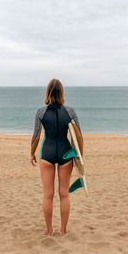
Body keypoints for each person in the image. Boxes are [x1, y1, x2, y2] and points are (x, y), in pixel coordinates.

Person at [30, 79, 83, 236]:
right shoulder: (70, 111)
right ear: (62, 93)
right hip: (66, 154)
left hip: (47, 154)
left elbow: (36, 137)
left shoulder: (41, 112)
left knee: (48, 195)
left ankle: (49, 231)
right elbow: (79, 136)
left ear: (48, 93)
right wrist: (80, 156)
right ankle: (63, 230)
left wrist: (31, 153)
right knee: (64, 194)